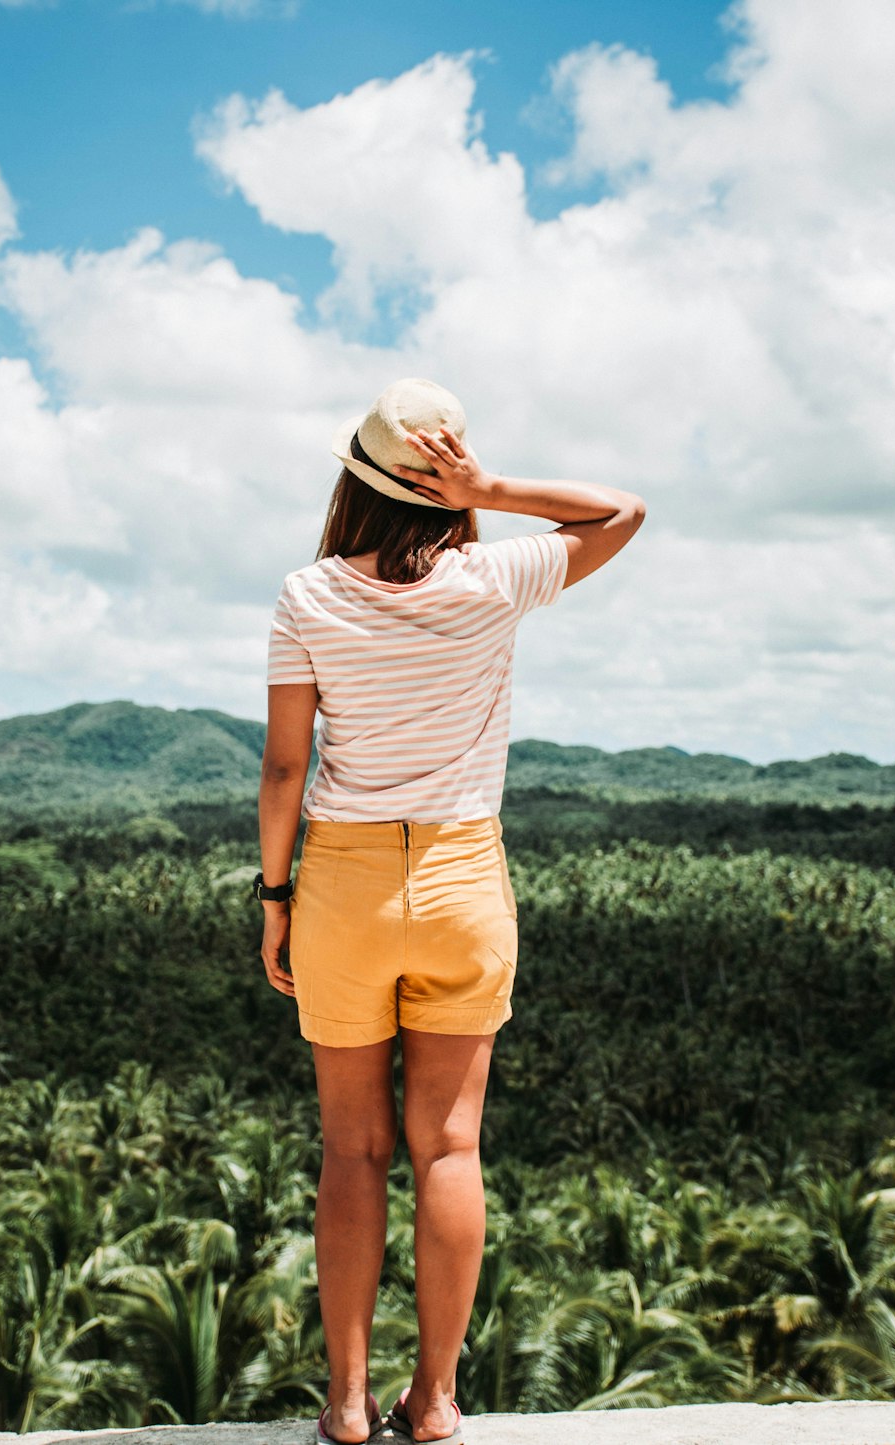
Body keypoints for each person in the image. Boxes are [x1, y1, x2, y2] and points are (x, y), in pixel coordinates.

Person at [256, 378, 645, 1444]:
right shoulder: (496, 576)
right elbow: (621, 510)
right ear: (444, 481)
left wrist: (275, 897)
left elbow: (286, 767)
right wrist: (495, 488)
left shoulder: (308, 594)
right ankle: (433, 1397)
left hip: (340, 878)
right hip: (463, 877)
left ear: (356, 481)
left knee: (351, 1147)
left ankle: (344, 1398)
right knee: (448, 1147)